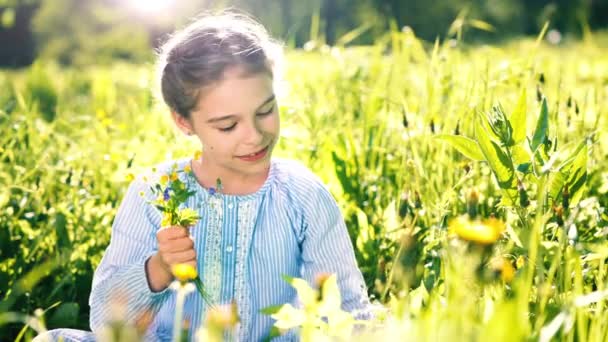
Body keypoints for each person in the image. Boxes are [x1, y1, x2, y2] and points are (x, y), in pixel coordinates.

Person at [35, 10, 372, 342]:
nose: (254, 135)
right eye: (227, 125)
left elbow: (348, 308)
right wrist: (159, 268)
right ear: (184, 122)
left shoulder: (303, 195)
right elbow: (106, 322)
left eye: (266, 111)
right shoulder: (156, 192)